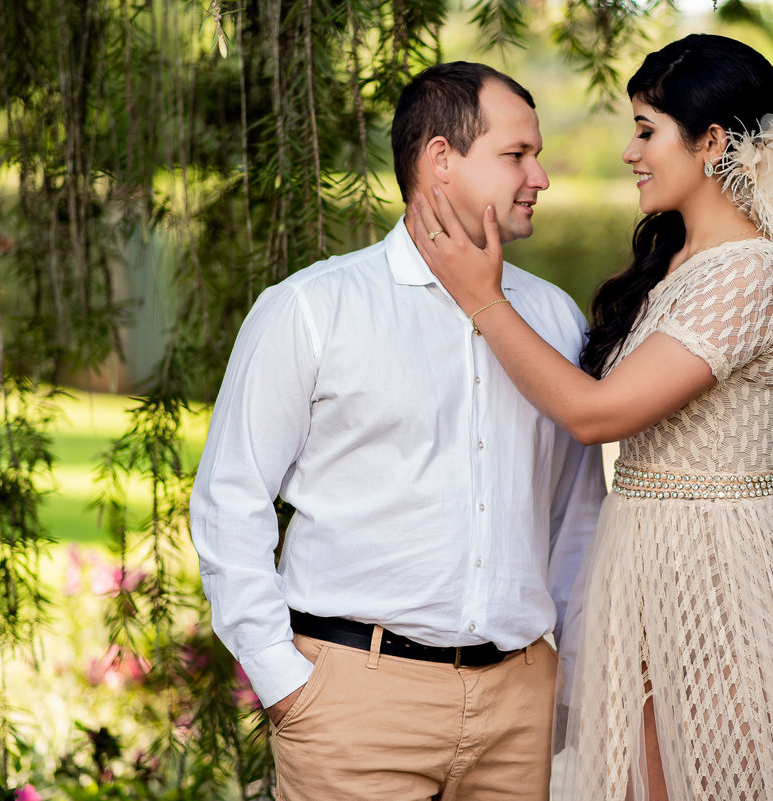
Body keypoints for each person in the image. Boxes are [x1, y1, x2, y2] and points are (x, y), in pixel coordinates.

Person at [407, 34, 773, 801]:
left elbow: (596, 414)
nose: (630, 152)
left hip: (727, 584)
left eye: (645, 129)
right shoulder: (674, 264)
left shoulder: (755, 271)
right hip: (648, 569)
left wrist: (483, 299)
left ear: (712, 143)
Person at [189, 62, 609, 800]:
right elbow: (231, 498)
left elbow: (577, 520)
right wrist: (286, 681)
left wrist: (568, 683)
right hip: (353, 704)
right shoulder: (313, 309)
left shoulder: (554, 319)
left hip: (518, 704)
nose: (539, 176)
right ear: (440, 159)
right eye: (516, 155)